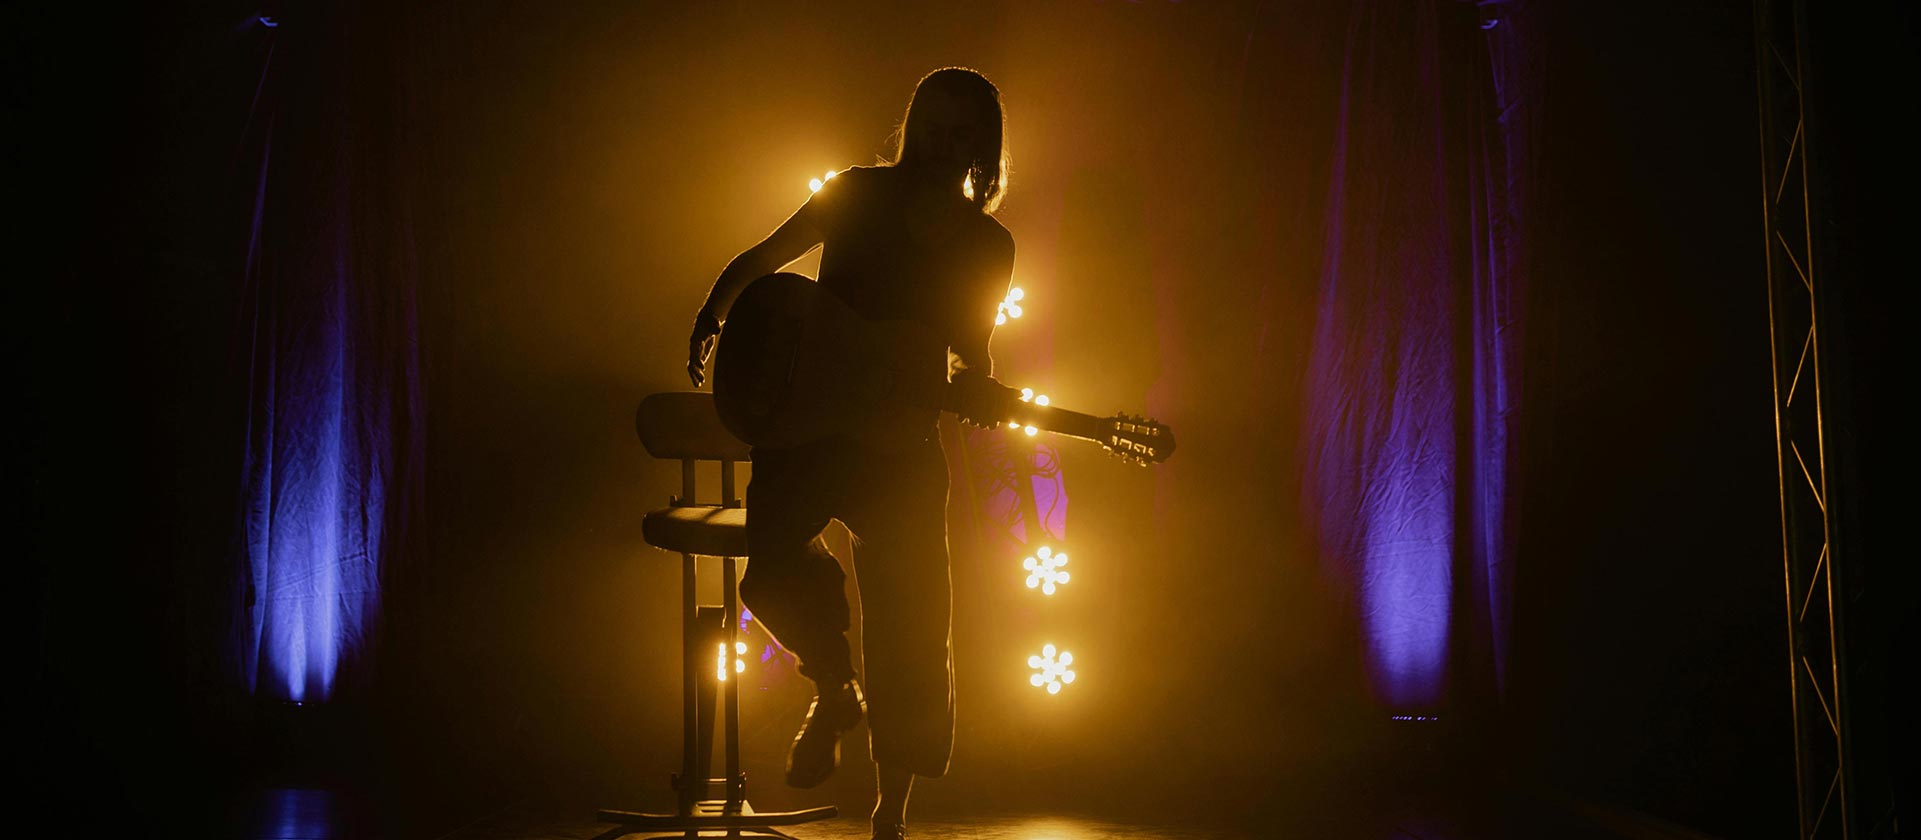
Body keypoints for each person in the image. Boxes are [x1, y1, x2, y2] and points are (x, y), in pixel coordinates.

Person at [685, 67, 1015, 840]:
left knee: (911, 626)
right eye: (932, 123)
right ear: (913, 123)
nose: (942, 141)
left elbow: (971, 350)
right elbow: (767, 256)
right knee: (768, 573)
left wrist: (982, 388)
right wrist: (713, 309)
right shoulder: (857, 193)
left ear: (981, 146)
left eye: (960, 130)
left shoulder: (986, 244)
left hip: (899, 444)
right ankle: (836, 688)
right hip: (806, 431)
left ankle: (889, 818)